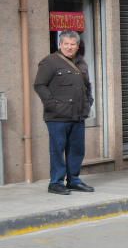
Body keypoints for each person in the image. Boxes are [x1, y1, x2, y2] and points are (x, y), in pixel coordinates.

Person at [34, 30, 95, 195]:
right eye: (66, 44)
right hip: (57, 116)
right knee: (58, 149)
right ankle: (56, 182)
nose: (69, 47)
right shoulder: (49, 62)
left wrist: (89, 102)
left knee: (77, 150)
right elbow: (39, 85)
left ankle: (73, 180)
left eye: (72, 44)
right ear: (60, 44)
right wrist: (52, 104)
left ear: (77, 46)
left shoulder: (81, 63)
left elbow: (87, 86)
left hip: (78, 114)